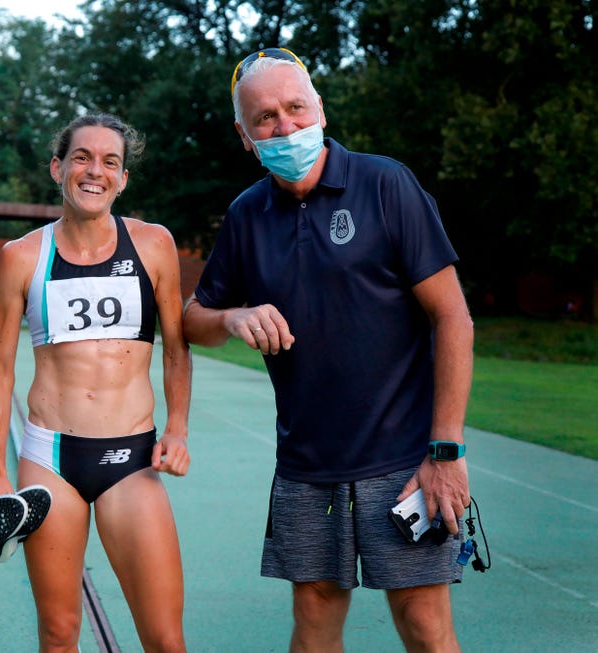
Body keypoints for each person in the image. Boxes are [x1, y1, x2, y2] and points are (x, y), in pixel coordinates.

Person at [183, 48, 474, 652]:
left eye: (295, 107)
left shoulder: (385, 183)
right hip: (306, 464)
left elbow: (453, 318)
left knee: (424, 623)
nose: (284, 126)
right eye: (265, 118)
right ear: (245, 135)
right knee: (313, 619)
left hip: (406, 456)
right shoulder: (245, 214)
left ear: (320, 107)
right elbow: (192, 322)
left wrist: (445, 450)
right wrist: (234, 317)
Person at [0, 113, 192, 652]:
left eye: (110, 162)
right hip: (49, 456)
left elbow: (177, 349)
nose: (96, 171)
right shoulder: (20, 257)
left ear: (122, 179)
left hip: (132, 457)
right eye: (82, 158)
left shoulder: (153, 245)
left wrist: (179, 429)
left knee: (164, 637)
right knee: (59, 631)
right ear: (58, 168)